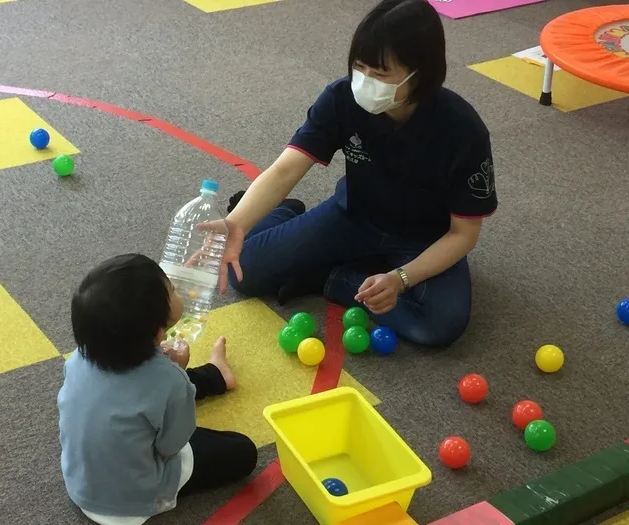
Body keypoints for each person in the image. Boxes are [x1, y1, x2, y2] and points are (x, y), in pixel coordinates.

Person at [207, 0, 498, 347]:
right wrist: (236, 224)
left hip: (423, 240)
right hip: (353, 216)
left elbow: (463, 235)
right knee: (243, 271)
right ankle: (287, 213)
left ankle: (333, 278)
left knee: (439, 325)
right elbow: (287, 167)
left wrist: (400, 279)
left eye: (381, 73)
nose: (366, 81)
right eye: (360, 68)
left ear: (419, 74)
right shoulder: (342, 98)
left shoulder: (463, 131)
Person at [57, 254, 257, 525]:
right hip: (134, 501)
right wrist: (177, 372)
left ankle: (215, 376)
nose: (175, 288)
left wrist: (170, 373)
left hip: (80, 486)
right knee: (243, 450)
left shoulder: (78, 358)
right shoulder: (168, 379)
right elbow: (171, 446)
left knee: (156, 397)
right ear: (158, 333)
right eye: (171, 289)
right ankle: (215, 377)